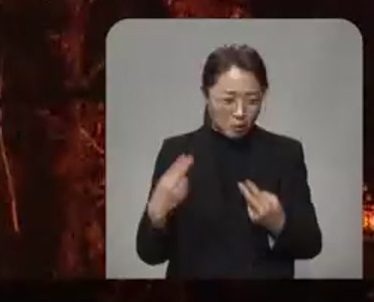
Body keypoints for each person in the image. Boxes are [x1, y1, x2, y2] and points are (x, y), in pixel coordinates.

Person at [135, 43, 324, 278]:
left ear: (264, 94)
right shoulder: (176, 151)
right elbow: (149, 254)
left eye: (253, 100)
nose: (240, 112)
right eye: (228, 100)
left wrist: (278, 222)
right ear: (206, 93)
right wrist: (157, 214)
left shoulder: (286, 153)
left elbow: (312, 244)